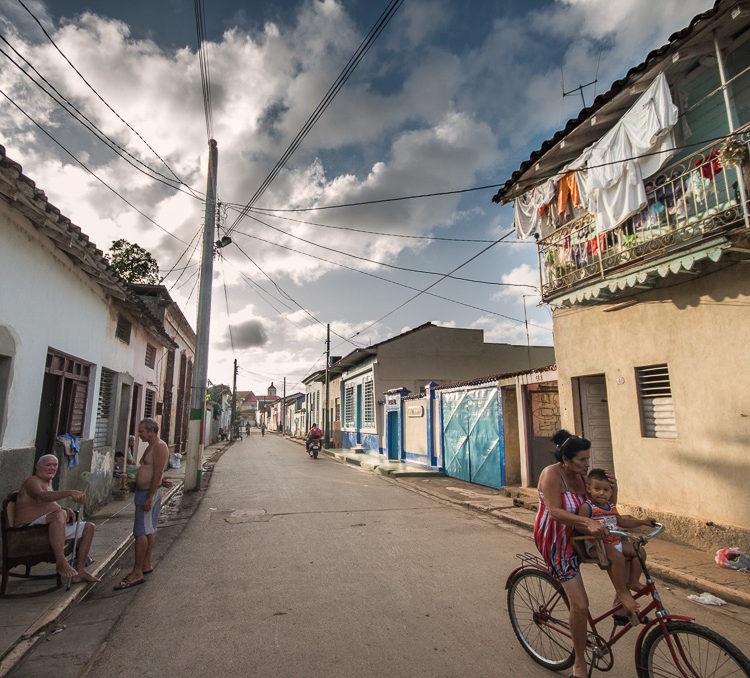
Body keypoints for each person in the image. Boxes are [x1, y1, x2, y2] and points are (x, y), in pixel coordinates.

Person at [534, 430, 609, 678]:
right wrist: (587, 523)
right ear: (566, 459)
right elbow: (554, 511)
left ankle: (621, 601)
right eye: (582, 460)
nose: (587, 464)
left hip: (578, 536)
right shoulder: (551, 475)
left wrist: (612, 488)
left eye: (588, 459)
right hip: (555, 540)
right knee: (580, 604)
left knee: (628, 552)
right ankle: (579, 663)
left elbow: (601, 507)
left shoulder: (582, 477)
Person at [577, 468, 655, 625]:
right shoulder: (588, 507)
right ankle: (623, 592)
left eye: (606, 490)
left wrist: (642, 521)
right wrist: (593, 529)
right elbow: (579, 525)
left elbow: (622, 522)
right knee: (617, 557)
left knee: (639, 551)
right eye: (597, 489)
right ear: (588, 488)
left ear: (612, 491)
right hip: (597, 545)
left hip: (615, 542)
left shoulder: (610, 506)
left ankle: (633, 581)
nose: (602, 493)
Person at [14, 454, 101, 584]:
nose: (52, 468)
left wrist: (66, 509)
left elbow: (48, 505)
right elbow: (41, 497)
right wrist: (69, 492)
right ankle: (61, 561)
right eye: (48, 465)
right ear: (37, 466)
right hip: (28, 530)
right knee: (59, 515)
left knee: (89, 527)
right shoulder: (32, 481)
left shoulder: (48, 483)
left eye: (55, 465)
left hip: (47, 527)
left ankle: (80, 571)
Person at [114, 418, 171, 591]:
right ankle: (145, 564)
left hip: (148, 494)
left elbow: (158, 471)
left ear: (152, 431)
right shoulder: (152, 446)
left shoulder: (159, 446)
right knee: (148, 530)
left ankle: (137, 571)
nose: (139, 435)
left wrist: (150, 496)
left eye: (141, 432)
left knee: (140, 532)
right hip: (147, 492)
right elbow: (154, 471)